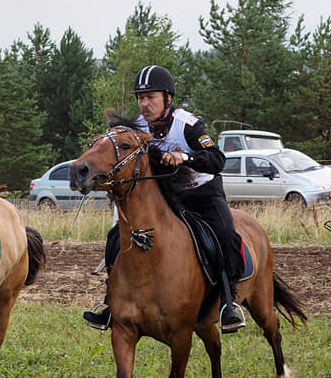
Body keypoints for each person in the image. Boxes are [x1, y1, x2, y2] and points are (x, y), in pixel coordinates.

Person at [83, 65, 246, 333]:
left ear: (167, 99)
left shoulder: (189, 125)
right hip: (168, 195)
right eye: (140, 98)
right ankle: (110, 304)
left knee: (226, 234)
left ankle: (229, 302)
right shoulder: (136, 128)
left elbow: (217, 160)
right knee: (116, 237)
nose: (144, 104)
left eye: (151, 97)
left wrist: (185, 157)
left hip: (203, 193)